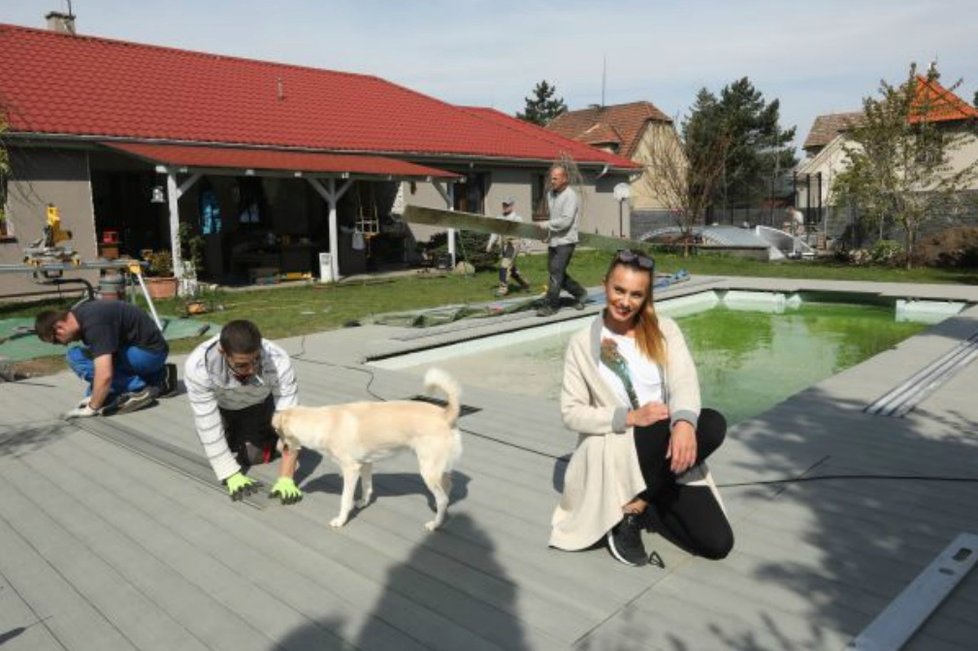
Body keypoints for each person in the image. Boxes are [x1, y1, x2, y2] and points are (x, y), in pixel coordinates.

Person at [550, 249, 733, 566]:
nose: (624, 301)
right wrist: (630, 416)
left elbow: (684, 384)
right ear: (605, 284)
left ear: (646, 296)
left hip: (662, 448)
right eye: (618, 290)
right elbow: (571, 412)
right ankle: (628, 513)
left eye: (636, 294)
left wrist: (685, 424)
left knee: (717, 543)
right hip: (618, 445)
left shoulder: (665, 331)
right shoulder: (583, 343)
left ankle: (644, 497)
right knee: (708, 424)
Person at [184, 319, 302, 504]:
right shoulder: (198, 367)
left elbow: (290, 420)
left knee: (253, 457)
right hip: (222, 408)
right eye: (241, 364)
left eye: (256, 359)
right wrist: (230, 474)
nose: (252, 369)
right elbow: (207, 424)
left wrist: (286, 478)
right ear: (223, 352)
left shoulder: (278, 360)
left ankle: (269, 435)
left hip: (258, 404)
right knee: (219, 446)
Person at [35, 301, 175, 418]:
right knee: (80, 358)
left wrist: (92, 408)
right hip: (146, 352)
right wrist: (93, 395)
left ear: (59, 328)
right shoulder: (82, 315)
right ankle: (160, 378)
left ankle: (139, 390)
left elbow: (105, 374)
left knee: (77, 358)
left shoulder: (95, 324)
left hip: (148, 354)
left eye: (56, 341)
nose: (63, 344)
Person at [537, 164, 588, 317]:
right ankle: (581, 293)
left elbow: (566, 221)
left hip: (566, 241)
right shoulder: (550, 195)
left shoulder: (570, 196)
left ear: (565, 179)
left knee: (556, 273)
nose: (552, 181)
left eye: (555, 178)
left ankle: (551, 305)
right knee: (556, 272)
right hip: (554, 240)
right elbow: (555, 218)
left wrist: (546, 225)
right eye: (551, 178)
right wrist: (548, 235)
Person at [485, 197, 531, 296]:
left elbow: (524, 232)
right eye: (504, 205)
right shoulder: (499, 218)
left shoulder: (517, 218)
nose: (505, 207)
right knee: (511, 268)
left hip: (514, 244)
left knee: (504, 266)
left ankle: (503, 289)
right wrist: (490, 244)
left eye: (507, 205)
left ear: (512, 206)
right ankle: (525, 283)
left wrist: (527, 247)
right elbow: (495, 232)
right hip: (504, 245)